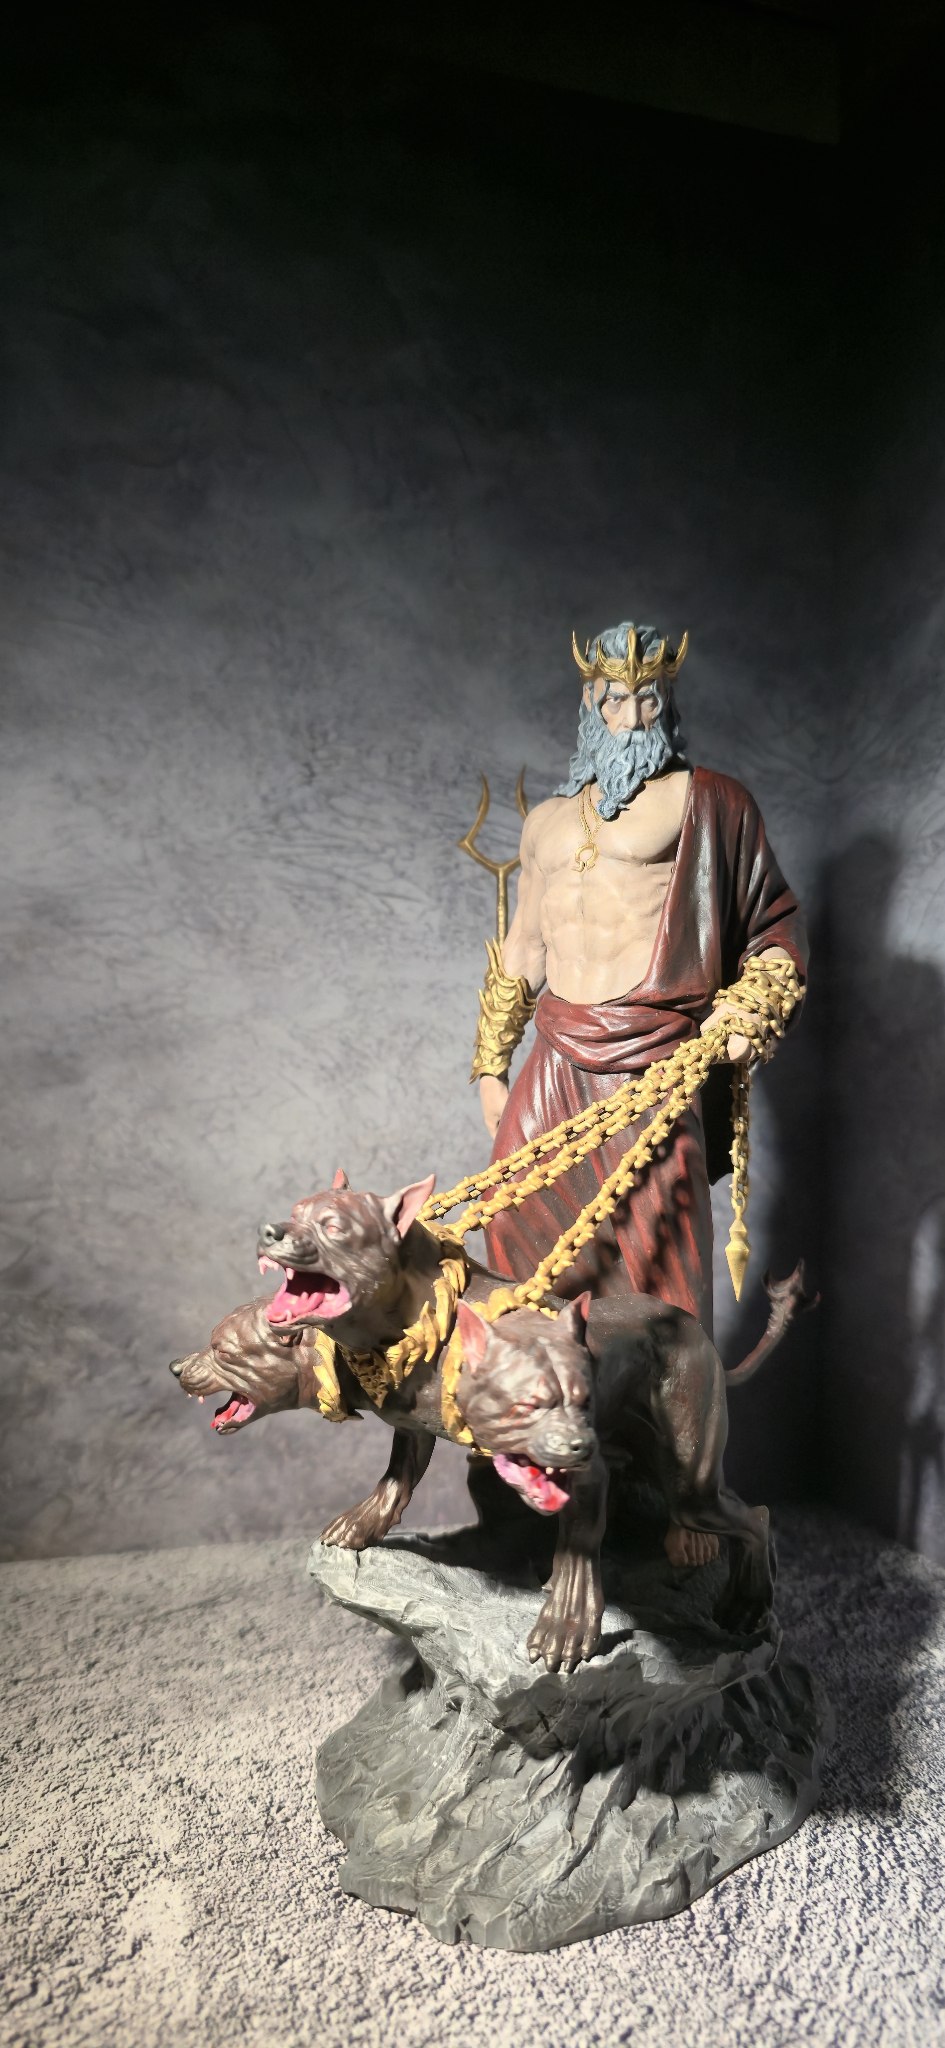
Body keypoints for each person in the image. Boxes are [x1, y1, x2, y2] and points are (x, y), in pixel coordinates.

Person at [471, 620, 807, 1337]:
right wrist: (491, 1069)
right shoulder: (547, 821)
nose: (630, 717)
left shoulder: (708, 801)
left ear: (667, 702)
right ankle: (535, 1401)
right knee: (516, 1237)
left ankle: (666, 1405)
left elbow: (773, 928)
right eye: (614, 699)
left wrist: (750, 1011)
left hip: (653, 1058)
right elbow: (523, 945)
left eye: (647, 699)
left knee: (657, 1258)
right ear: (588, 702)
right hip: (554, 1056)